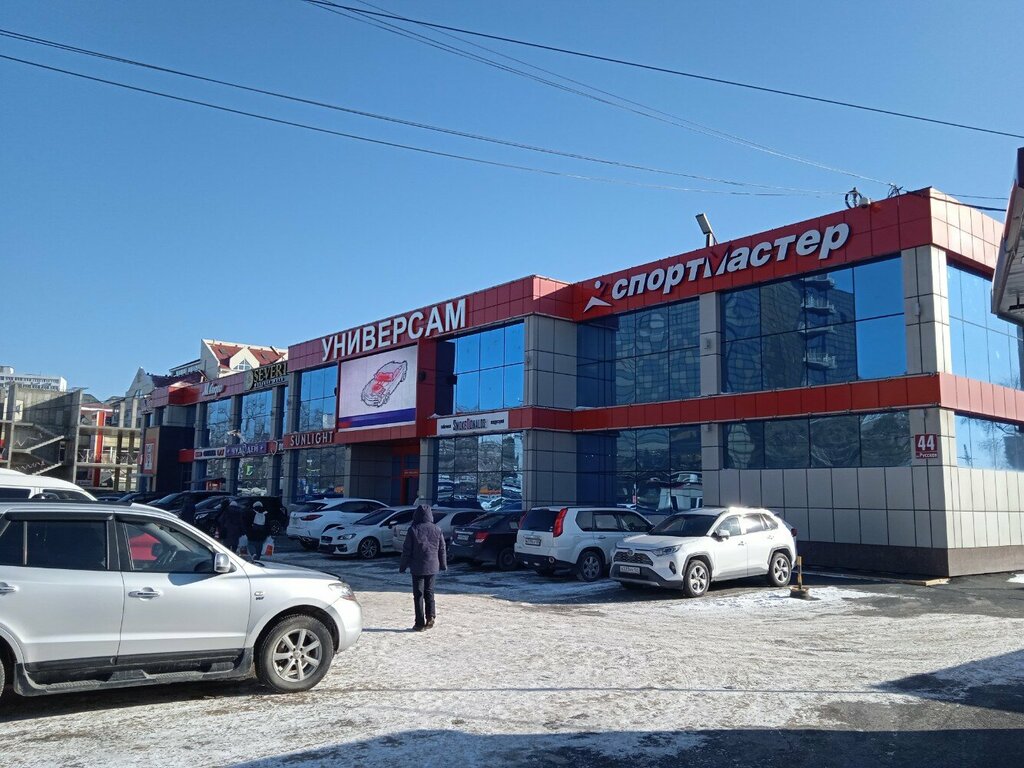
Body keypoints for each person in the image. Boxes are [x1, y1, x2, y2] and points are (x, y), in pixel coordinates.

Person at [399, 504, 446, 631]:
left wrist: (403, 566)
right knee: (429, 592)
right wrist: (443, 564)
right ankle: (431, 617)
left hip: (417, 566)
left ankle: (419, 623)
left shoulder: (413, 529)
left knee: (418, 595)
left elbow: (407, 550)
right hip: (432, 566)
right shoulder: (437, 529)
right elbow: (442, 549)